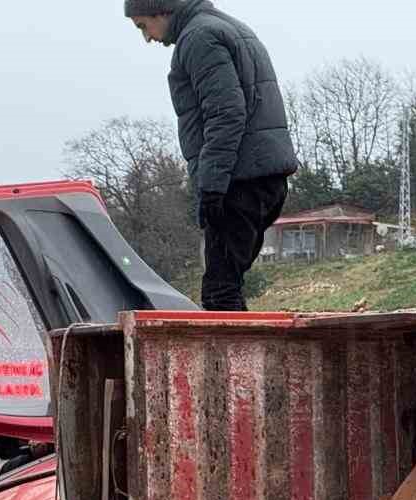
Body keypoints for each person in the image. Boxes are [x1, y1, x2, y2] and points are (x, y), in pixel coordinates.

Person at [127, 1, 298, 311]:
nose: (147, 38)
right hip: (263, 176)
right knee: (227, 288)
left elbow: (226, 114)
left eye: (143, 26)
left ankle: (240, 362)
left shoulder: (198, 38)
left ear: (161, 10)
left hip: (238, 179)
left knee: (220, 295)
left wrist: (212, 186)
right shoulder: (228, 27)